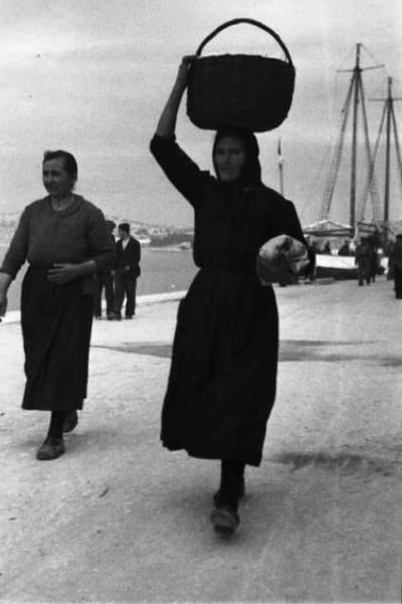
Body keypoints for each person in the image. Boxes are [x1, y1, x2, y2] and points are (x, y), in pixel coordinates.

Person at [149, 56, 307, 535]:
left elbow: (302, 260)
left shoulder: (276, 205)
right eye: (220, 151)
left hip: (251, 306)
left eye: (235, 152)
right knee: (206, 387)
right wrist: (180, 83)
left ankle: (229, 488)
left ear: (250, 155)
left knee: (242, 393)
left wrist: (281, 263)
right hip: (206, 304)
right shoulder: (204, 192)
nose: (225, 160)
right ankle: (228, 475)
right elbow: (161, 145)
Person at [0, 150, 115, 461]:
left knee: (63, 360)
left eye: (56, 173)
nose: (49, 179)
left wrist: (77, 270)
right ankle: (67, 405)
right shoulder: (33, 212)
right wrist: (1, 293)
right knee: (35, 359)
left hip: (73, 294)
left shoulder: (89, 213)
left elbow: (108, 256)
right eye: (45, 173)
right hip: (37, 291)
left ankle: (55, 435)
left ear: (72, 177)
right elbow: (14, 256)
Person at [112, 223, 141, 320]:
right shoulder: (118, 243)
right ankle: (117, 312)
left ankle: (129, 313)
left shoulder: (135, 243)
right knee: (118, 292)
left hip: (131, 272)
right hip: (119, 271)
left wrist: (130, 266)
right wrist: (113, 269)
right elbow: (115, 258)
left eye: (120, 231)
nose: (118, 233)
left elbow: (137, 258)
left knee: (130, 293)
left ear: (125, 231)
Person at [93, 220, 116, 319]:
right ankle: (98, 313)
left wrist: (113, 268)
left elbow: (114, 255)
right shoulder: (97, 238)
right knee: (97, 293)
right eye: (111, 228)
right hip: (99, 270)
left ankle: (108, 313)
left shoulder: (111, 238)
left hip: (107, 270)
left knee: (108, 292)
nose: (111, 230)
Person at [389, 234, 402, 299]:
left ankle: (398, 294)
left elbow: (391, 254)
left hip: (396, 265)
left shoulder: (395, 245)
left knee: (397, 280)